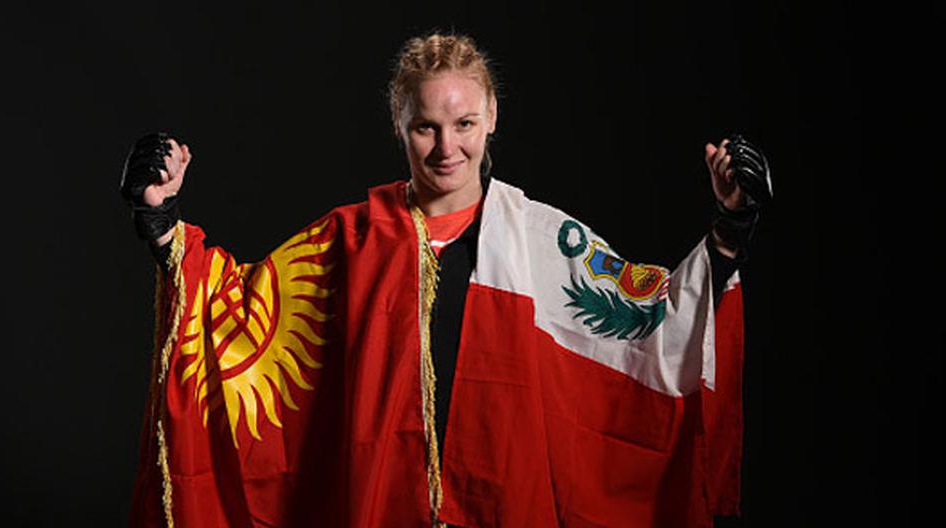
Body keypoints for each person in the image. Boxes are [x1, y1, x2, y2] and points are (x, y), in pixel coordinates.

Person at [121, 33, 771, 528]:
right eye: (426, 127)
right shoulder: (348, 240)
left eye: (463, 125)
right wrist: (161, 220)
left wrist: (730, 229)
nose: (446, 148)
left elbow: (650, 324)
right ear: (399, 126)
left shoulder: (545, 242)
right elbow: (237, 315)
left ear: (492, 119)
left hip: (509, 505)